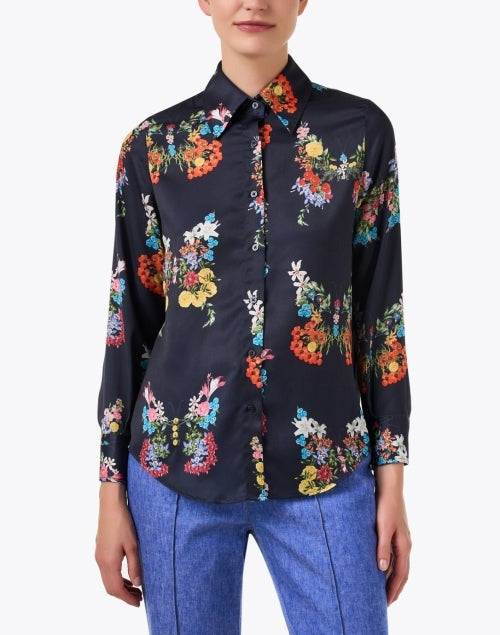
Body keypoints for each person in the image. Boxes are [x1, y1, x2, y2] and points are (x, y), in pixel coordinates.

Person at [95, 1, 412, 633]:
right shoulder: (154, 147)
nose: (254, 1)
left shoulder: (360, 134)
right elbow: (128, 322)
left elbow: (381, 317)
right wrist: (109, 489)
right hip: (176, 470)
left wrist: (393, 480)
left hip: (324, 468)